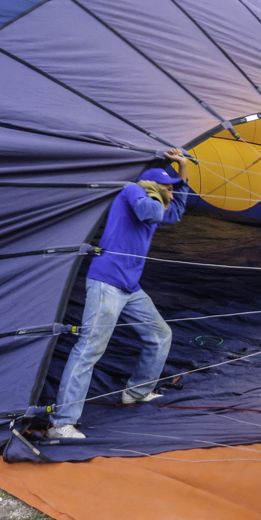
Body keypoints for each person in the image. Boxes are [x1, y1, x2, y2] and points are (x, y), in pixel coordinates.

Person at [48, 149, 191, 439]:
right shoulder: (132, 192)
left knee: (160, 335)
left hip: (129, 286)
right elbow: (149, 211)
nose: (172, 193)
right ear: (151, 186)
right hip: (106, 282)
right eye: (168, 187)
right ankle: (61, 424)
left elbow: (174, 215)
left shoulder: (157, 200)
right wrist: (158, 196)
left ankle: (136, 392)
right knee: (89, 349)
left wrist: (184, 169)